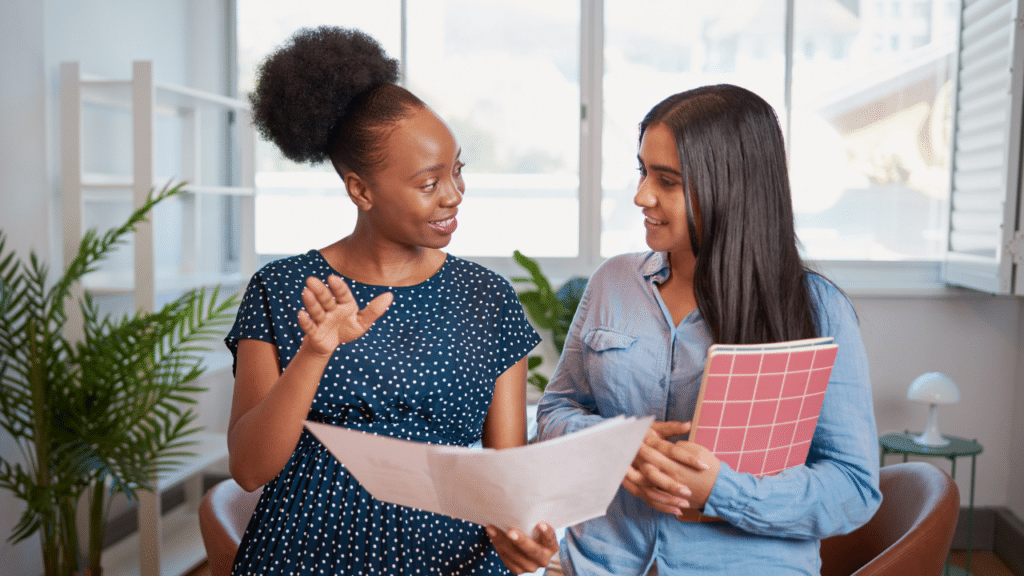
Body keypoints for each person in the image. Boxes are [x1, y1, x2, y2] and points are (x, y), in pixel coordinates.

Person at [225, 26, 557, 575]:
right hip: (304, 557)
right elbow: (250, 469)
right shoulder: (284, 288)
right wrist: (316, 351)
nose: (453, 194)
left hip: (455, 561)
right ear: (361, 190)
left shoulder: (488, 299)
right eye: (429, 183)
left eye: (457, 171)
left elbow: (507, 483)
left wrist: (528, 544)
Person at [535, 84, 882, 575]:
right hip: (599, 564)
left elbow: (854, 488)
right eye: (642, 171)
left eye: (668, 181)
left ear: (732, 185)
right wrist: (614, 441)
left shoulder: (816, 310)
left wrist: (721, 491)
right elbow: (554, 412)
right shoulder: (614, 283)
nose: (641, 196)